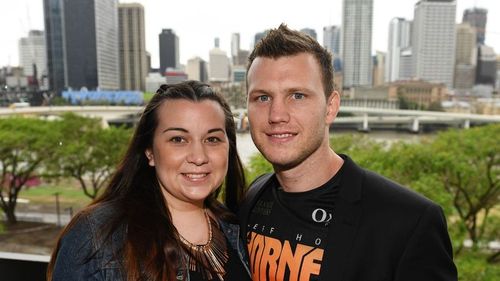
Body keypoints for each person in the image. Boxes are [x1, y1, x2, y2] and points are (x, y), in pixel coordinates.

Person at [239, 24, 458, 281]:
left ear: (331, 108)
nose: (276, 115)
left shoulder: (409, 222)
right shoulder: (253, 197)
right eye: (262, 98)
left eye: (297, 96)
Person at [47, 81, 251, 281]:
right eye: (178, 139)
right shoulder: (96, 235)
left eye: (212, 139)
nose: (199, 157)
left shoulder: (236, 226)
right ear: (150, 152)